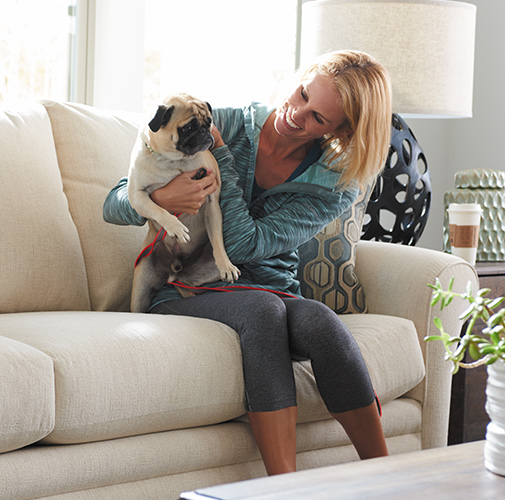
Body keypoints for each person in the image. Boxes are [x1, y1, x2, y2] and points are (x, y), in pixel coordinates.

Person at [103, 50, 393, 475]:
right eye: (301, 94)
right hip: (185, 287)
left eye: (317, 118)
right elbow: (113, 203)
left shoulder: (337, 183)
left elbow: (243, 244)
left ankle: (388, 478)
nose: (295, 114)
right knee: (263, 311)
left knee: (321, 322)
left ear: (342, 131)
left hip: (265, 288)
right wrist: (161, 201)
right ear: (299, 78)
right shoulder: (220, 122)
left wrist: (220, 158)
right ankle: (281, 487)